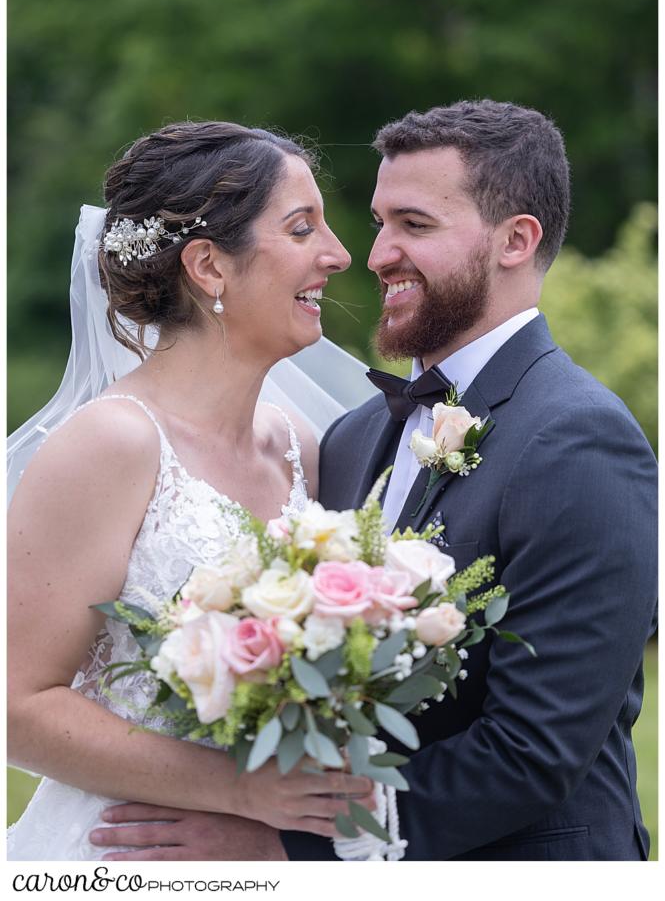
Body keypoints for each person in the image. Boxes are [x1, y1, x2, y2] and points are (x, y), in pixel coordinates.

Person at [97, 100, 657, 862]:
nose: (376, 254)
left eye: (415, 226)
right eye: (380, 223)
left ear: (515, 241)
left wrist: (290, 850)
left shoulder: (579, 439)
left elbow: (533, 748)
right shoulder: (356, 435)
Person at [7, 120, 377, 861]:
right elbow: (15, 706)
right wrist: (238, 792)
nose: (338, 256)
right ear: (209, 266)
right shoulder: (111, 444)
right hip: (127, 850)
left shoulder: (298, 446)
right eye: (302, 229)